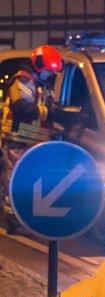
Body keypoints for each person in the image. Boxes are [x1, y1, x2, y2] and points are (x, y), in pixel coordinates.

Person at [1, 45, 63, 230]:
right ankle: (13, 219)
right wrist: (49, 112)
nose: (50, 75)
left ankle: (24, 215)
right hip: (18, 139)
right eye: (48, 71)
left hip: (33, 141)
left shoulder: (40, 85)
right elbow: (23, 109)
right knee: (14, 179)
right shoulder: (22, 80)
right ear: (39, 65)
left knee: (28, 180)